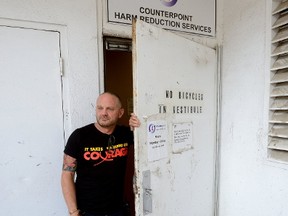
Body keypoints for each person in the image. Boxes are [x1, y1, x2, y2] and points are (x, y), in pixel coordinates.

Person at [61, 92, 140, 216]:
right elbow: (67, 175)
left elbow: (150, 141)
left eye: (110, 109)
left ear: (120, 112)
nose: (104, 113)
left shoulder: (126, 134)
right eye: (100, 108)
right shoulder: (79, 136)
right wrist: (73, 211)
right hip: (87, 211)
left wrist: (140, 125)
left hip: (118, 210)